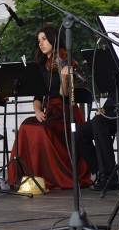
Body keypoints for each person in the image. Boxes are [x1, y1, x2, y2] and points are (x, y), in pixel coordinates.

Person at [8, 26, 91, 190]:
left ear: (53, 39)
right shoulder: (39, 67)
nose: (41, 43)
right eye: (39, 41)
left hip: (65, 113)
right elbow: (37, 97)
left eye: (44, 39)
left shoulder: (64, 60)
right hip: (48, 111)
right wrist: (37, 111)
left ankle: (50, 174)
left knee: (41, 130)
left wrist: (65, 79)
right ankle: (31, 175)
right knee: (26, 126)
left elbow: (64, 95)